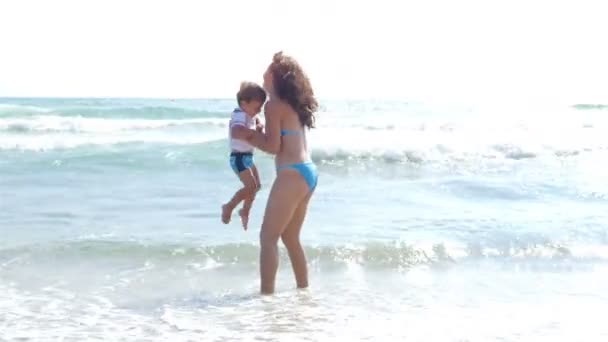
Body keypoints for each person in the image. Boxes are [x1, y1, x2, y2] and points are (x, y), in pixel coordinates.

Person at [233, 51, 319, 294]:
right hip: (308, 173)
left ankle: (266, 297)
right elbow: (282, 140)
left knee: (267, 238)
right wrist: (259, 131)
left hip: (292, 174)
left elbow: (273, 147)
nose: (263, 73)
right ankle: (304, 292)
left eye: (268, 70)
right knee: (291, 238)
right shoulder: (292, 105)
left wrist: (247, 135)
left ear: (277, 77)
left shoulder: (273, 106)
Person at [221, 81, 266, 230]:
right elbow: (236, 132)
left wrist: (258, 127)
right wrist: (253, 133)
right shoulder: (239, 114)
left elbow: (254, 125)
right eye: (256, 108)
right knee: (250, 186)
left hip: (248, 157)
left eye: (260, 108)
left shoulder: (250, 115)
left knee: (256, 186)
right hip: (239, 158)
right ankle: (229, 206)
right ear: (243, 103)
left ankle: (245, 210)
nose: (258, 111)